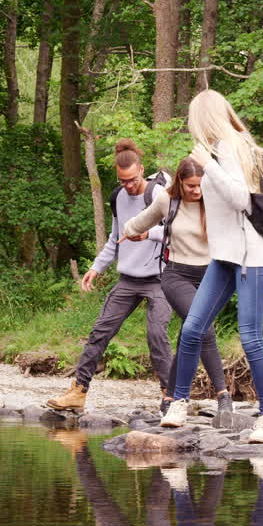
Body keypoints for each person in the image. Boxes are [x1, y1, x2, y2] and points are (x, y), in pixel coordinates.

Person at [160, 89, 263, 446]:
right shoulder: (214, 151)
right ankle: (179, 402)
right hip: (224, 257)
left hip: (251, 257)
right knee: (193, 327)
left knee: (251, 337)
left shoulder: (234, 149)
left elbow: (243, 200)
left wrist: (210, 165)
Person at [47, 139, 174, 412]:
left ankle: (170, 396)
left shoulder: (159, 194)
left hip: (159, 280)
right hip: (128, 279)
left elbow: (178, 233)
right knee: (99, 333)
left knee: (156, 335)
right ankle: (78, 392)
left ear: (141, 169)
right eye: (122, 180)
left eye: (132, 179)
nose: (128, 185)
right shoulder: (117, 196)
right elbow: (115, 239)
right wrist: (95, 268)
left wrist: (147, 232)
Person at [122, 156, 231, 414]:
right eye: (191, 185)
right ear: (180, 182)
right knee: (202, 328)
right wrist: (132, 231)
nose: (196, 190)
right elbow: (137, 223)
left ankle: (170, 396)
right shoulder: (166, 200)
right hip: (176, 275)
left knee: (189, 333)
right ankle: (223, 395)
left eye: (201, 185)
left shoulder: (216, 202)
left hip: (210, 276)